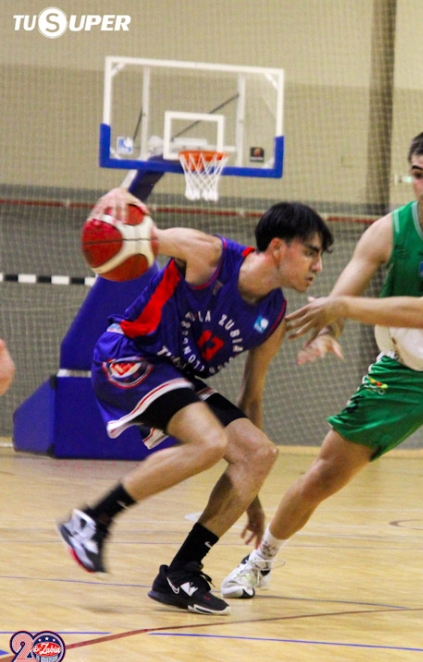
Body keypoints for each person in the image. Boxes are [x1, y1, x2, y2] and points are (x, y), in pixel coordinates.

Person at [221, 128, 423, 622]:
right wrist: (328, 330)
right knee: (322, 476)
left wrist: (340, 308)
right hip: (397, 372)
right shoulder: (387, 231)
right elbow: (341, 297)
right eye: (419, 174)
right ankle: (260, 560)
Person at [58, 185, 333, 616]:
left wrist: (251, 492)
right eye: (312, 252)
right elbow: (136, 231)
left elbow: (251, 398)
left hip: (174, 375)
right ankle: (92, 520)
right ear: (278, 247)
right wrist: (115, 198)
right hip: (129, 355)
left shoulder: (274, 317)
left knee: (260, 452)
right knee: (209, 442)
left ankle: (181, 573)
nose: (318, 266)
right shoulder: (208, 255)